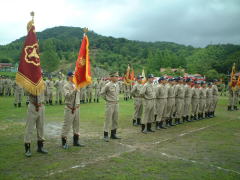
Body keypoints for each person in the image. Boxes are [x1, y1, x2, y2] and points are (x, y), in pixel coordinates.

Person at [61, 72, 84, 149]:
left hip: (77, 108)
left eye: (74, 76)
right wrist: (74, 90)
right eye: (72, 76)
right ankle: (64, 142)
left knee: (76, 125)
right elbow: (67, 96)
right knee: (66, 125)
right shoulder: (66, 86)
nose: (74, 77)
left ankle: (76, 141)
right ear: (69, 77)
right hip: (69, 108)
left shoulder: (77, 85)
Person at [24, 91, 48, 157]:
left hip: (41, 106)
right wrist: (33, 91)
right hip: (32, 106)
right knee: (29, 128)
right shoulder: (29, 84)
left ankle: (40, 147)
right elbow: (25, 93)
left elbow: (46, 93)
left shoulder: (43, 83)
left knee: (41, 127)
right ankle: (27, 148)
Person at [100, 72, 121, 142]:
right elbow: (102, 93)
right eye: (116, 76)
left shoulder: (117, 85)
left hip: (116, 104)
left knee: (115, 119)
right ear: (111, 77)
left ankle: (113, 134)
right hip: (110, 104)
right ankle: (105, 135)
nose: (117, 77)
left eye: (118, 76)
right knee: (108, 119)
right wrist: (107, 99)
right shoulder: (108, 85)